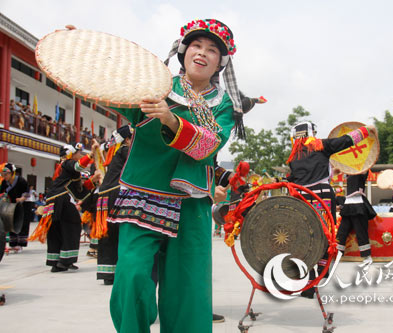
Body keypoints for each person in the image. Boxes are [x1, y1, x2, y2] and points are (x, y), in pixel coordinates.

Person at [107, 18, 244, 332]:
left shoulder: (222, 104)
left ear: (219, 63)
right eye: (196, 45)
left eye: (211, 50)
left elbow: (209, 144)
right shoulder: (156, 85)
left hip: (191, 203)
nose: (202, 53)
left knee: (188, 291)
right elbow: (110, 91)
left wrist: (171, 120)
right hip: (142, 195)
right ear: (184, 51)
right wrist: (80, 54)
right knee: (132, 276)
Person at [286, 121, 377, 297]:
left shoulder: (294, 157)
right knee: (325, 236)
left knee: (305, 237)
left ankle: (308, 281)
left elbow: (299, 177)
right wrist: (367, 130)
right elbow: (347, 140)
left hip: (302, 199)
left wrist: (329, 172)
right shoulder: (320, 145)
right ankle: (322, 270)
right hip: (322, 197)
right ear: (311, 133)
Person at [29, 141, 101, 271]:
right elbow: (79, 166)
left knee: (57, 229)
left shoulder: (67, 169)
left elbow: (79, 191)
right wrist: (91, 154)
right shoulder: (67, 164)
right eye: (79, 153)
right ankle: (65, 260)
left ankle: (57, 261)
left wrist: (93, 180)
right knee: (71, 226)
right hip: (61, 200)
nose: (80, 155)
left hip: (54, 201)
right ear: (71, 154)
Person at [94, 125, 133, 285]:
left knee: (108, 235)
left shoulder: (116, 153)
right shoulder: (125, 151)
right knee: (119, 234)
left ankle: (107, 273)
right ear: (127, 140)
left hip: (105, 196)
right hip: (115, 194)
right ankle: (117, 271)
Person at [336, 171, 377, 267]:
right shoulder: (349, 173)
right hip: (348, 204)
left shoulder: (361, 172)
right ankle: (337, 254)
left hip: (358, 203)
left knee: (361, 232)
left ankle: (367, 257)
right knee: (341, 232)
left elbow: (366, 168)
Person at [0, 163, 31, 253]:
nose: (4, 176)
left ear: (12, 173)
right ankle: (13, 244)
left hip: (23, 205)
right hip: (12, 206)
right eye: (3, 174)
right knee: (11, 222)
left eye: (6, 174)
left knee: (22, 223)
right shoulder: (4, 182)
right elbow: (2, 192)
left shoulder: (21, 180)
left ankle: (20, 244)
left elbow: (27, 191)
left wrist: (22, 198)